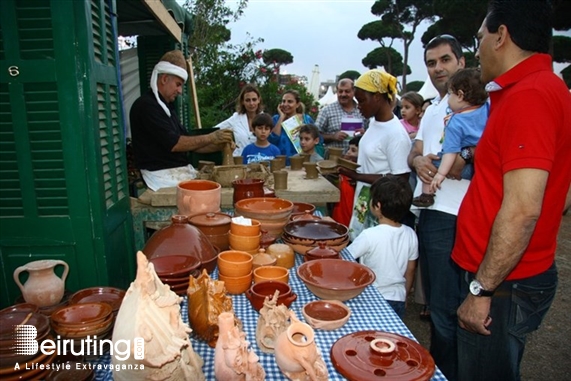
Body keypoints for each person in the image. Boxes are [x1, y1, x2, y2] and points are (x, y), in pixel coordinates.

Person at [452, 1, 571, 380]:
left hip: (504, 284)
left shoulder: (530, 95)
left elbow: (522, 209)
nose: (478, 48)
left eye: (480, 37)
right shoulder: (535, 90)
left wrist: (482, 290)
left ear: (501, 36)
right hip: (507, 276)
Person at [407, 34, 466, 381]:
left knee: (446, 309)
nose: (438, 68)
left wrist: (450, 162)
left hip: (454, 214)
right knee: (438, 307)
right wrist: (417, 162)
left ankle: (446, 374)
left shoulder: (473, 102)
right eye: (431, 62)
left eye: (445, 60)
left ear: (461, 61)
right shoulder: (434, 108)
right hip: (428, 212)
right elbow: (414, 150)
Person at [130, 50, 234, 191]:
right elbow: (175, 144)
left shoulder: (167, 107)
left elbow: (191, 143)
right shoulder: (146, 106)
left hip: (177, 173)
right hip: (160, 176)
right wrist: (212, 136)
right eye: (178, 84)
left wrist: (219, 145)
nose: (180, 91)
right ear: (164, 79)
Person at [339, 69, 411, 241]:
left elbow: (400, 180)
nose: (359, 106)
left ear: (378, 97)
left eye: (362, 100)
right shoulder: (374, 123)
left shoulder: (396, 134)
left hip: (381, 209)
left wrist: (356, 175)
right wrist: (354, 163)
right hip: (364, 200)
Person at [413, 68, 489, 207]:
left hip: (458, 169)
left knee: (430, 164)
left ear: (460, 95)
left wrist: (441, 174)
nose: (448, 100)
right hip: (479, 167)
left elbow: (450, 151)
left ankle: (426, 195)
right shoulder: (487, 108)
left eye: (450, 94)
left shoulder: (456, 121)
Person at [347, 175, 418, 319]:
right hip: (398, 297)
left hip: (371, 298)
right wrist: (405, 295)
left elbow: (345, 258)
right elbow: (410, 271)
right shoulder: (411, 234)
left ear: (377, 206)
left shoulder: (369, 235)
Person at [315, 78, 368, 153]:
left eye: (347, 91)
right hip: (333, 159)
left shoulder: (362, 110)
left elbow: (372, 133)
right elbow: (315, 134)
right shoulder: (326, 111)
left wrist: (365, 134)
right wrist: (333, 136)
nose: (343, 94)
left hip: (357, 159)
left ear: (354, 91)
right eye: (340, 91)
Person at [215, 84, 263, 156]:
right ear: (242, 102)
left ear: (259, 100)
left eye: (254, 99)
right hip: (239, 161)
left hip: (260, 160)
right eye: (247, 100)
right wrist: (228, 142)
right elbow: (216, 130)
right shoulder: (236, 118)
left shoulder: (264, 118)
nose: (251, 103)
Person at [269, 89, 315, 165]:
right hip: (279, 162)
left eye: (290, 101)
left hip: (301, 161)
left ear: (297, 104)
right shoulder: (276, 119)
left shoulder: (306, 119)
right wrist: (281, 117)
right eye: (283, 101)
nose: (285, 104)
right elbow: (272, 139)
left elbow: (317, 139)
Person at [332, 135, 361, 226]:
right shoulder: (343, 171)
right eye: (348, 149)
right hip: (339, 215)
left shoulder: (362, 175)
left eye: (353, 150)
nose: (348, 152)